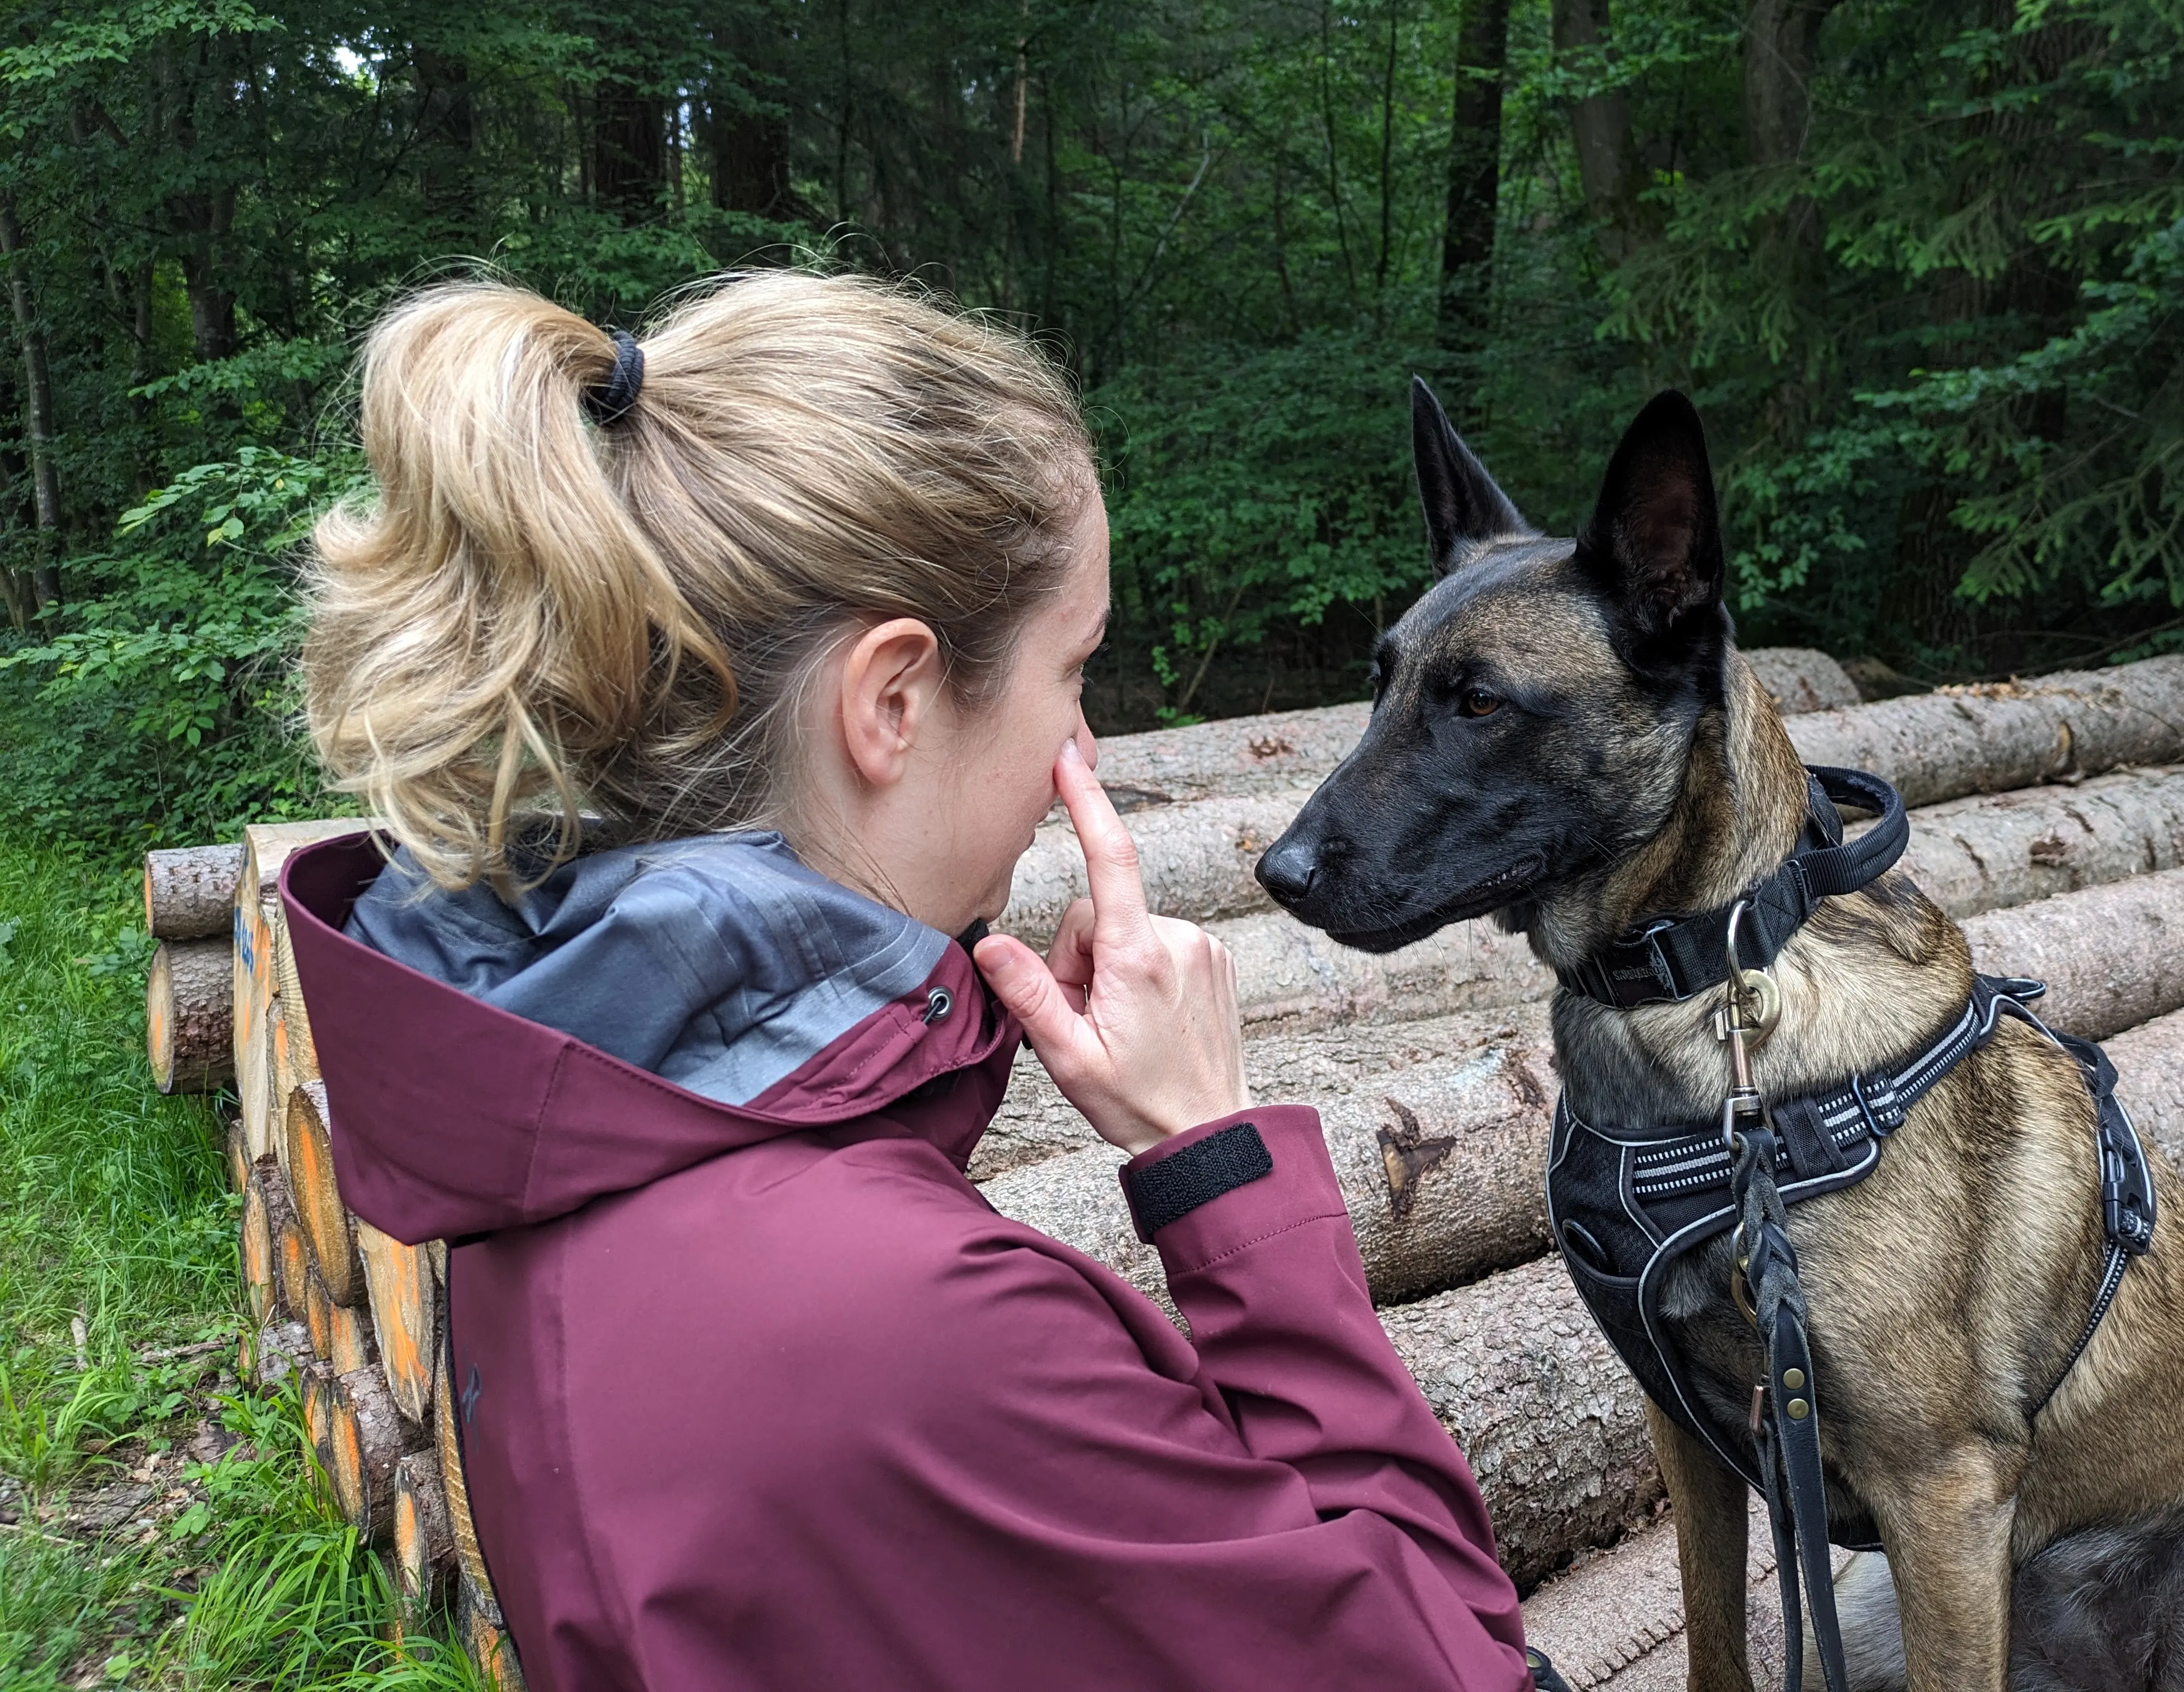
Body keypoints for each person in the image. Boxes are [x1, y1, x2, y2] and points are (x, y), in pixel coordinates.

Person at [278, 272, 1550, 1689]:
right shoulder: (908, 1332)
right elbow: (1443, 1659)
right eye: (1074, 672)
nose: (1084, 744)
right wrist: (1214, 1158)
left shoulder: (557, 1145)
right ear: (891, 703)